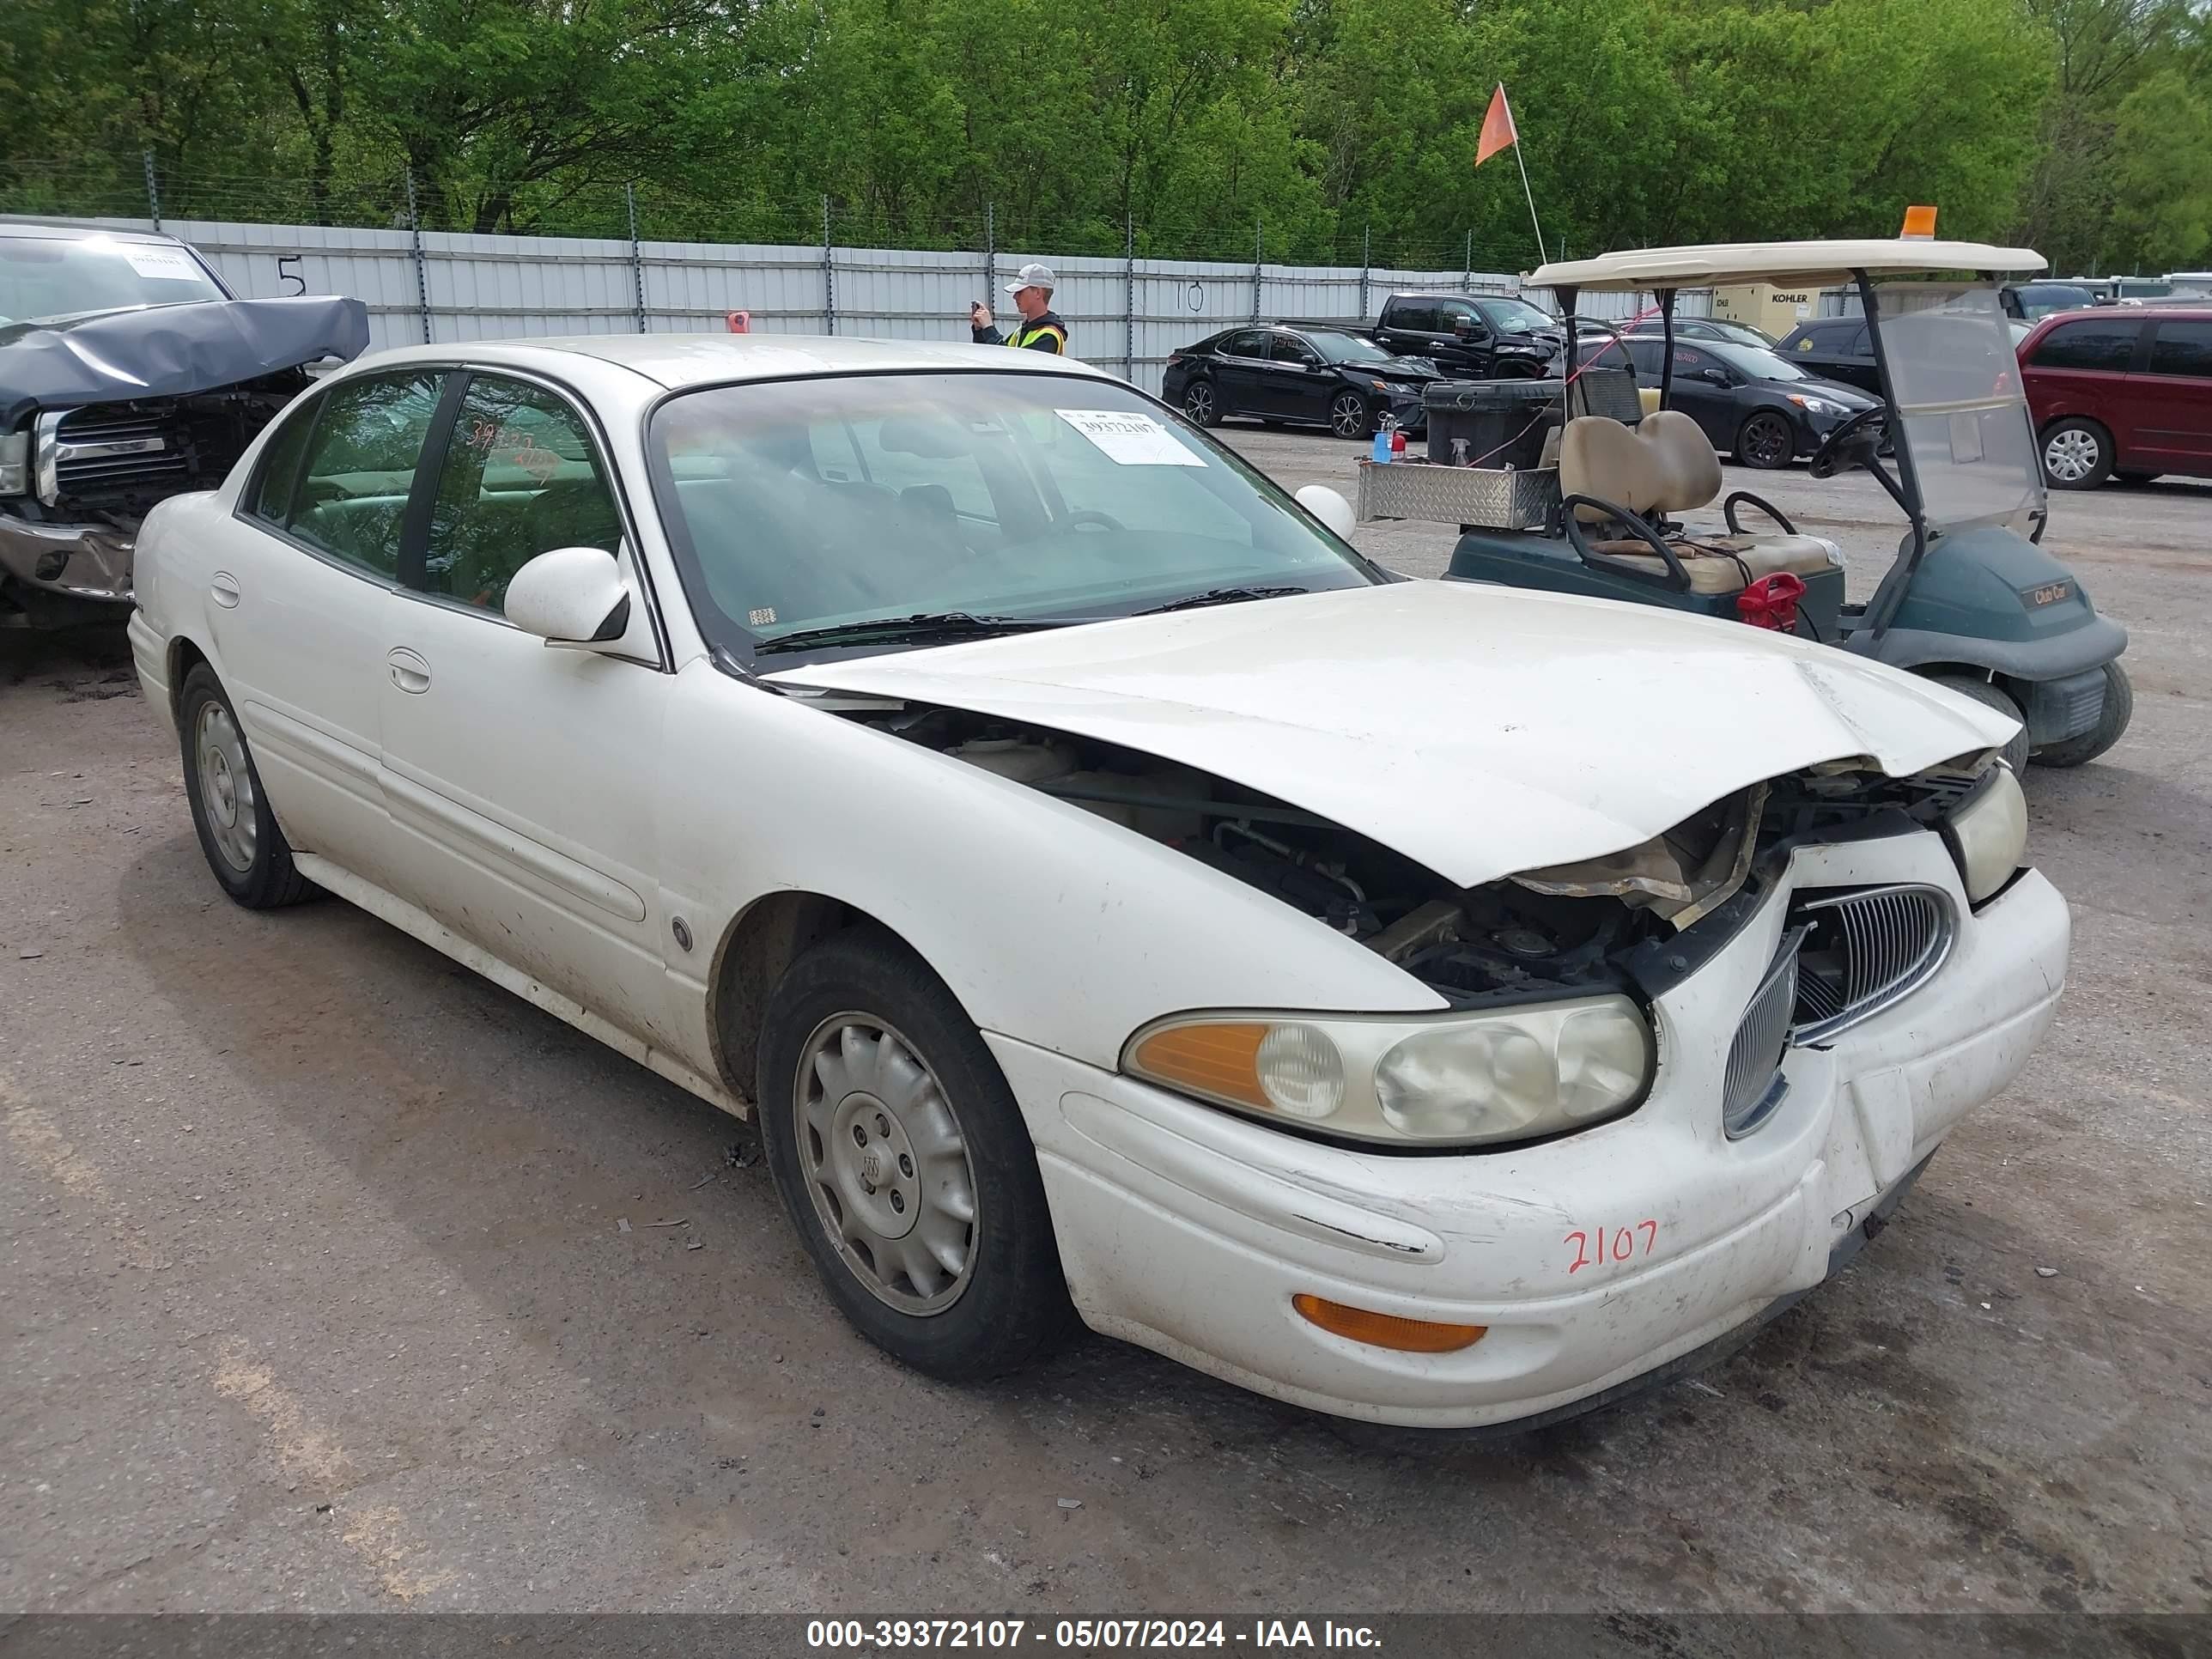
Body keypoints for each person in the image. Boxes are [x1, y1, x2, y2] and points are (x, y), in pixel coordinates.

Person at [970, 263, 1069, 355]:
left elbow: (1010, 363)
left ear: (1038, 293)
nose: (1015, 296)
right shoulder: (1023, 331)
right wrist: (980, 331)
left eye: (1020, 292)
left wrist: (989, 328)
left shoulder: (1049, 336)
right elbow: (990, 357)